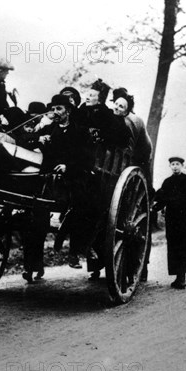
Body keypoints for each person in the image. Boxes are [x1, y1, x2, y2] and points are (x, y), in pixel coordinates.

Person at [39, 94, 96, 269]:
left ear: (68, 111)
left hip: (76, 176)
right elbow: (28, 139)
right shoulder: (49, 130)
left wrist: (68, 167)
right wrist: (39, 140)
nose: (55, 112)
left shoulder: (80, 131)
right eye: (53, 109)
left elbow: (87, 159)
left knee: (81, 203)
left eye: (59, 109)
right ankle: (35, 260)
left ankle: (75, 251)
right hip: (53, 179)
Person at [152, 157, 186, 289]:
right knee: (173, 245)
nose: (175, 167)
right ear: (170, 166)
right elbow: (162, 199)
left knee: (184, 245)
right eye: (173, 164)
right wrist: (154, 208)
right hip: (171, 219)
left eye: (178, 164)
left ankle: (182, 278)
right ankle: (177, 276)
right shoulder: (167, 182)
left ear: (182, 166)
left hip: (184, 219)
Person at [73, 79, 130, 149]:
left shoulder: (106, 113)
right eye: (87, 94)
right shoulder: (84, 107)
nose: (87, 97)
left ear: (100, 100)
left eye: (91, 96)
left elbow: (117, 134)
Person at [112, 88, 153, 182]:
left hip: (142, 154)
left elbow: (128, 146)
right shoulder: (115, 115)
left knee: (143, 176)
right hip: (130, 151)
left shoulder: (133, 120)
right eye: (115, 103)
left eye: (121, 105)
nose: (116, 107)